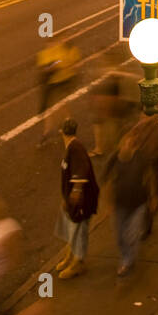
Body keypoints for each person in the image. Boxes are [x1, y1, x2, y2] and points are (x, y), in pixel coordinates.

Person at [102, 125, 150, 275]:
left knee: (131, 234)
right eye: (127, 139)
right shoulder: (115, 158)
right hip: (120, 203)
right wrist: (108, 204)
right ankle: (126, 256)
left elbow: (150, 176)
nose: (130, 142)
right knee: (120, 236)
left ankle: (128, 261)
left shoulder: (141, 157)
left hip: (138, 203)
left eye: (132, 139)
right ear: (121, 142)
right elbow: (106, 180)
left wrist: (153, 197)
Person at [56, 118, 99, 279]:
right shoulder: (72, 147)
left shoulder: (76, 148)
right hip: (73, 200)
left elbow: (81, 172)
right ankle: (70, 256)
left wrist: (76, 193)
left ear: (62, 132)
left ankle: (78, 263)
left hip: (82, 202)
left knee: (79, 230)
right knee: (72, 229)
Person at [36, 40, 80, 142]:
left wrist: (57, 66)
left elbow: (68, 64)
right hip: (51, 82)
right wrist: (52, 67)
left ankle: (65, 125)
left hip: (61, 81)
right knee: (53, 107)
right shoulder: (44, 53)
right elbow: (45, 69)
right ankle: (50, 130)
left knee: (60, 105)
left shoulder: (61, 50)